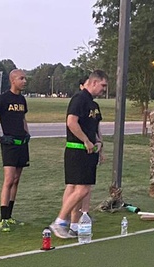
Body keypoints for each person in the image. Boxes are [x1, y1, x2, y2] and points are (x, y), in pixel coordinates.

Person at [49, 70, 108, 239]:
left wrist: (97, 142)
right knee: (80, 189)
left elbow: (93, 128)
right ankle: (60, 221)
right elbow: (71, 122)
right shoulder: (79, 99)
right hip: (77, 150)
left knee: (83, 189)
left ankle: (74, 224)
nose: (104, 89)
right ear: (94, 82)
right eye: (103, 85)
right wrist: (86, 141)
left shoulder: (93, 105)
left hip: (90, 151)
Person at [0, 69, 31, 232]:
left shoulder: (22, 99)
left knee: (16, 180)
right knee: (9, 180)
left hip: (22, 144)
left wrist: (27, 132)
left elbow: (23, 118)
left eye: (25, 78)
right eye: (21, 78)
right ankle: (3, 218)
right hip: (9, 145)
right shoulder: (3, 99)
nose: (24, 81)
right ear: (13, 80)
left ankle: (10, 216)